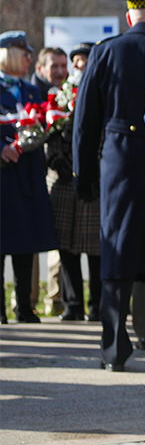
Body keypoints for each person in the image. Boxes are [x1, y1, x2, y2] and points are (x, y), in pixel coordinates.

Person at [72, 0, 145, 371]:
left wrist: (83, 173)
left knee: (118, 250)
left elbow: (85, 122)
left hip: (119, 159)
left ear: (129, 17)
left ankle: (114, 347)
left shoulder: (106, 51)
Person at [0, 31, 58, 324]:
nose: (29, 59)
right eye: (24, 54)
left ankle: (25, 306)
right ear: (8, 54)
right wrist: (2, 149)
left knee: (25, 244)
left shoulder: (32, 90)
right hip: (2, 177)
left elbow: (42, 123)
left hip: (25, 177)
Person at [48, 42, 102, 322]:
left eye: (85, 60)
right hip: (65, 184)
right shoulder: (59, 98)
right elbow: (52, 133)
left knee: (97, 250)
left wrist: (92, 169)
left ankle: (96, 306)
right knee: (66, 248)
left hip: (94, 181)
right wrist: (59, 161)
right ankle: (72, 305)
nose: (80, 65)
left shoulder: (104, 93)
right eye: (76, 61)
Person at [30, 46, 69, 316]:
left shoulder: (67, 94)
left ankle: (55, 300)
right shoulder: (32, 94)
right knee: (32, 243)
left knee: (58, 240)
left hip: (56, 176)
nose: (59, 71)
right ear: (40, 69)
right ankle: (28, 301)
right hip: (35, 177)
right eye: (53, 66)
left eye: (63, 65)